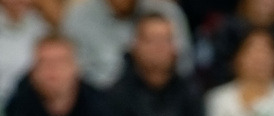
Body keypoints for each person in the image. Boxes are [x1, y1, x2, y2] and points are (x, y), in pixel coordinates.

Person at [61, 0, 192, 90]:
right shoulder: (78, 18)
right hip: (99, 110)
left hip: (163, 103)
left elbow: (185, 69)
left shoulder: (167, 13)